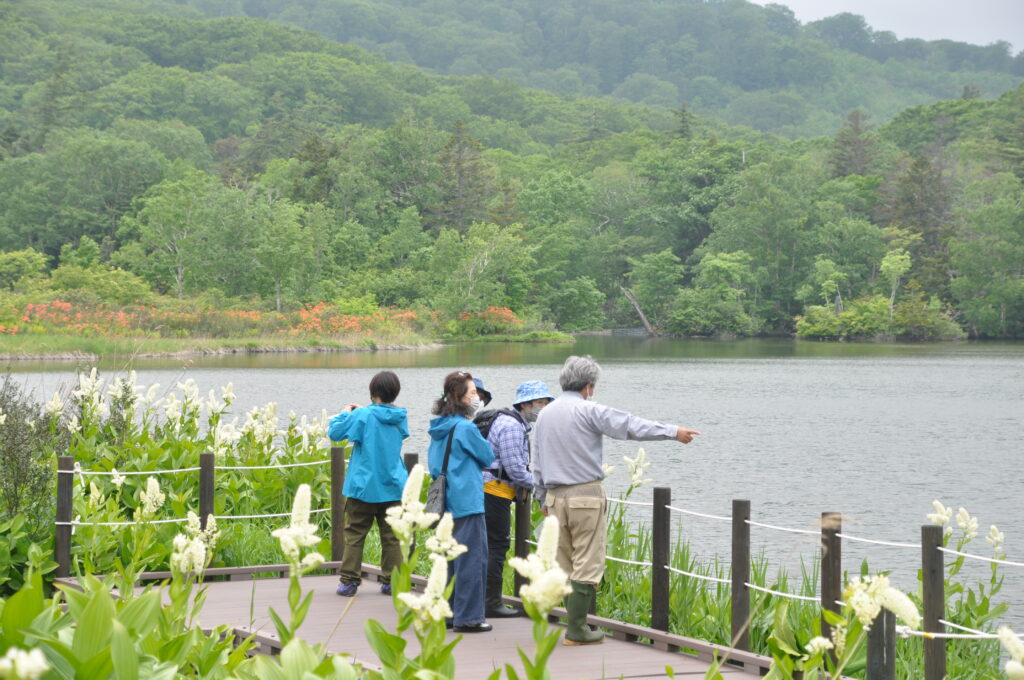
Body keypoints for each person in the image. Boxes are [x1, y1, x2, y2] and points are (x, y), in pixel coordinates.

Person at [533, 355, 700, 645]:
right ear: (588, 385)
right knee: (587, 561)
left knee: (564, 562)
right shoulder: (588, 410)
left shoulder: (544, 414)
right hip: (585, 494)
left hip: (554, 496)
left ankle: (570, 624)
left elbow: (536, 461)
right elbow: (629, 425)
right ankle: (577, 630)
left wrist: (541, 500)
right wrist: (673, 432)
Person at [328, 370, 410, 597]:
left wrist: (346, 413)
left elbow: (335, 433)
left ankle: (349, 582)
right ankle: (392, 582)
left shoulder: (362, 415)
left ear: (373, 392)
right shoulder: (400, 416)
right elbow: (388, 427)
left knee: (355, 534)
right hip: (393, 485)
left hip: (363, 486)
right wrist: (365, 410)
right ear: (395, 392)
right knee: (392, 537)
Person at [428, 370, 495, 633]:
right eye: (473, 393)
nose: (477, 398)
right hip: (467, 500)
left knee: (448, 559)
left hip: (445, 501)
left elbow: (434, 465)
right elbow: (487, 456)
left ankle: (448, 613)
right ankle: (469, 618)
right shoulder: (466, 428)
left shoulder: (439, 427)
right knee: (471, 560)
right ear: (460, 397)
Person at [481, 380, 554, 618]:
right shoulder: (512, 426)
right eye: (540, 402)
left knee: (491, 545)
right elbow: (515, 470)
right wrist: (542, 485)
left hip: (491, 489)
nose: (543, 408)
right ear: (525, 404)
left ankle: (485, 600)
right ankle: (491, 603)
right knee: (497, 546)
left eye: (545, 403)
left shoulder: (510, 422)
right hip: (494, 490)